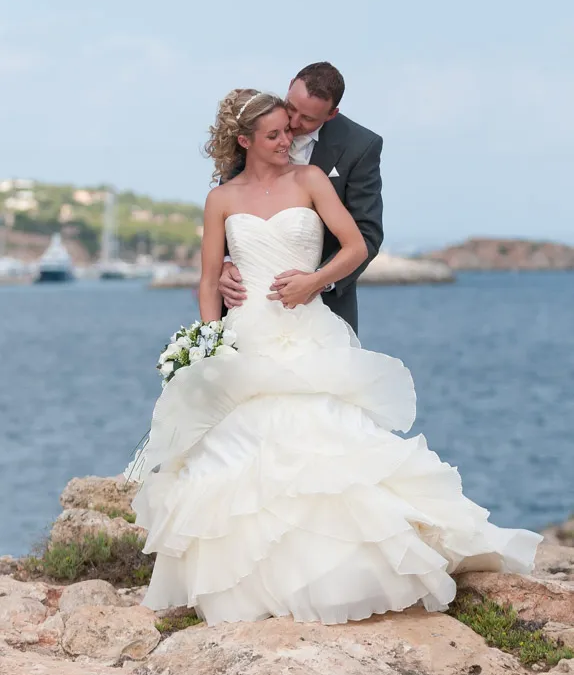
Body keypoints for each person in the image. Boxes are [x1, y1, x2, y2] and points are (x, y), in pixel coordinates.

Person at [127, 89, 541, 626]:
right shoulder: (221, 199)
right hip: (246, 334)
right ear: (245, 140)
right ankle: (247, 585)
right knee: (238, 453)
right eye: (275, 134)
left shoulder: (311, 180)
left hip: (308, 326)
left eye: (289, 131)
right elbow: (208, 279)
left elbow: (355, 245)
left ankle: (347, 575)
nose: (288, 141)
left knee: (326, 444)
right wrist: (212, 345)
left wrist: (313, 282)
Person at [218, 62, 383, 335]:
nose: (293, 124)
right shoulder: (257, 122)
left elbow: (367, 235)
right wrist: (225, 263)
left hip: (324, 313)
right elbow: (229, 201)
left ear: (332, 115)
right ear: (290, 83)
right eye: (291, 108)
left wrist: (318, 282)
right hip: (246, 308)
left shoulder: (361, 146)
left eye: (307, 119)